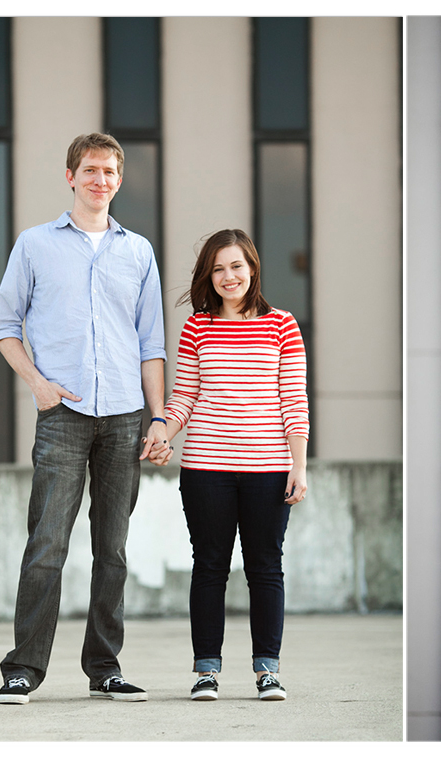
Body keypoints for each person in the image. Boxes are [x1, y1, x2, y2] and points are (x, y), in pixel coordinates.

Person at [0, 133, 167, 705]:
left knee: (112, 549)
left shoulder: (138, 252)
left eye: (110, 172)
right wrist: (38, 385)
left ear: (119, 179)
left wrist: (158, 417)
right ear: (71, 175)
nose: (100, 181)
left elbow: (151, 344)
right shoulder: (35, 245)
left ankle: (105, 668)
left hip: (123, 415)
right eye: (90, 170)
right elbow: (4, 326)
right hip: (62, 412)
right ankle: (23, 669)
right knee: (47, 544)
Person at [147, 228, 309, 702]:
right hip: (205, 469)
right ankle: (206, 672)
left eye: (235, 265)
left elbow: (293, 401)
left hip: (268, 469)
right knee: (210, 567)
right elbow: (185, 399)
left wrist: (299, 465)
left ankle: (268, 672)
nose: (227, 276)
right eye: (218, 268)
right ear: (208, 276)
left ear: (252, 268)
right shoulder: (197, 328)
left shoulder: (282, 325)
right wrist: (162, 430)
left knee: (265, 568)